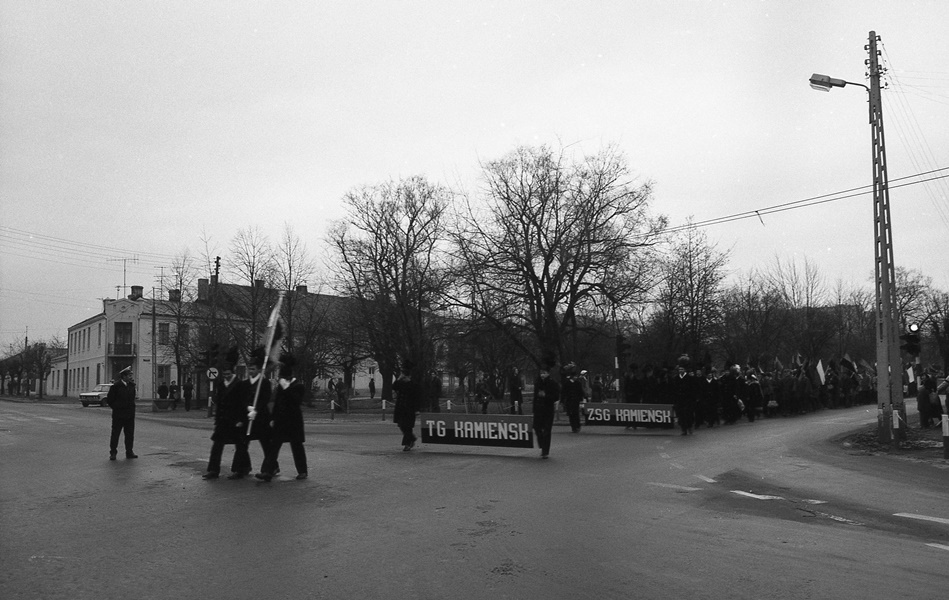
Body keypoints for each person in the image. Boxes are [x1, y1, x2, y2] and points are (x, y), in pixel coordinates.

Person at [203, 348, 252, 479]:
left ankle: (241, 469)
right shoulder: (220, 384)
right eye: (224, 374)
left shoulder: (239, 385)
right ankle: (213, 470)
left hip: (236, 420)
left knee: (240, 446)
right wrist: (217, 419)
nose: (226, 376)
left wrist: (242, 419)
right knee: (217, 446)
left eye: (228, 374)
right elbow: (219, 403)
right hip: (223, 421)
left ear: (233, 372)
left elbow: (243, 404)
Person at [257, 354, 307, 481]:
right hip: (280, 421)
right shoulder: (280, 386)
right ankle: (268, 471)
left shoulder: (298, 386)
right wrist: (272, 418)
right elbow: (276, 403)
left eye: (283, 377)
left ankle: (302, 471)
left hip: (294, 422)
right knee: (274, 447)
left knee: (297, 447)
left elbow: (296, 401)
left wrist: (287, 388)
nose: (281, 379)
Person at [244, 347, 273, 471]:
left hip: (261, 418)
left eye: (253, 369)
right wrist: (248, 407)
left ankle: (272, 467)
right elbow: (243, 397)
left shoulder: (264, 383)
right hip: (248, 417)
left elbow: (265, 399)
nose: (251, 371)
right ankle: (243, 467)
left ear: (258, 369)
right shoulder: (246, 383)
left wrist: (256, 410)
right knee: (243, 443)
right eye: (249, 369)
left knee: (266, 444)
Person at [106, 366, 138, 460]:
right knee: (115, 434)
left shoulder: (132, 386)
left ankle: (129, 452)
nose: (130, 377)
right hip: (118, 415)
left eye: (131, 375)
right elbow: (110, 400)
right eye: (129, 375)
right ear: (123, 376)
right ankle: (113, 452)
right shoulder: (116, 386)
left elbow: (132, 399)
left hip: (129, 415)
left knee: (129, 434)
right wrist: (117, 408)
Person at [532, 355, 560, 458]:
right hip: (538, 409)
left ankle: (545, 451)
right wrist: (534, 409)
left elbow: (556, 397)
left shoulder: (553, 384)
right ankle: (542, 443)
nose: (542, 375)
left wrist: (546, 396)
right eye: (541, 373)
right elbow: (535, 396)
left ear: (548, 373)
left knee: (547, 430)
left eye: (544, 373)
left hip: (548, 409)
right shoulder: (537, 383)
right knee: (537, 428)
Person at [392, 361, 420, 451]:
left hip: (409, 409)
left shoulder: (413, 385)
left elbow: (417, 398)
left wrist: (417, 409)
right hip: (400, 408)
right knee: (401, 425)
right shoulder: (401, 383)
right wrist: (398, 378)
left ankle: (407, 444)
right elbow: (394, 386)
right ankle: (412, 438)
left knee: (407, 427)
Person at [669, 355, 697, 435]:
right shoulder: (676, 379)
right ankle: (683, 429)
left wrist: (692, 399)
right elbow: (674, 390)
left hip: (688, 400)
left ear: (685, 370)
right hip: (679, 400)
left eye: (682, 369)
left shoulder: (690, 378)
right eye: (679, 369)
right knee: (681, 415)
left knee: (688, 414)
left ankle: (689, 427)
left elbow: (693, 389)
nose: (680, 370)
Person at [561, 363, 585, 433]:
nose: (576, 377)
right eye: (575, 376)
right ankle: (573, 426)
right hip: (569, 401)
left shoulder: (578, 383)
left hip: (576, 401)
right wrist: (562, 400)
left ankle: (577, 425)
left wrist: (581, 399)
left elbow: (580, 392)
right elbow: (563, 392)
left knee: (576, 413)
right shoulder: (567, 383)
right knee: (571, 414)